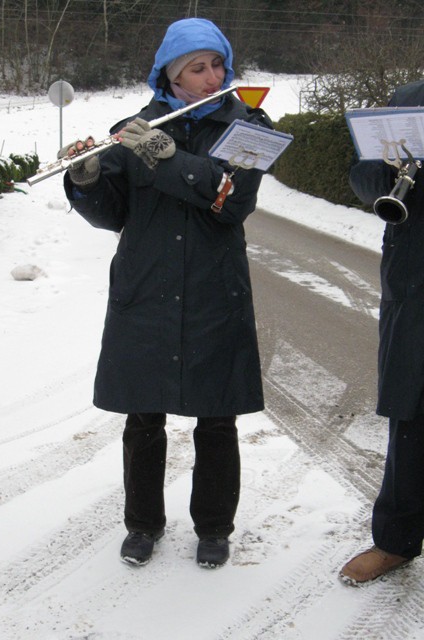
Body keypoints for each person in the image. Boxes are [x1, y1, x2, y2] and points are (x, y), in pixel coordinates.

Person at [59, 18, 273, 568]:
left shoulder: (249, 124)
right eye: (196, 69)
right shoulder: (135, 126)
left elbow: (233, 200)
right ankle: (143, 525)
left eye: (217, 65)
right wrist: (85, 180)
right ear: (170, 76)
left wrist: (168, 158)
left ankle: (214, 527)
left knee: (216, 416)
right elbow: (113, 213)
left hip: (212, 290)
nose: (211, 77)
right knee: (143, 416)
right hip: (146, 289)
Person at [339, 79, 424, 585]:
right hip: (414, 285)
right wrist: (389, 169)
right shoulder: (407, 101)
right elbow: (362, 178)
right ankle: (395, 539)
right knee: (410, 412)